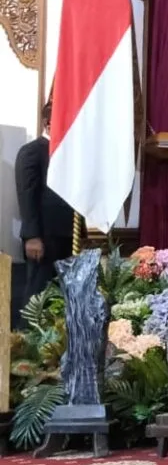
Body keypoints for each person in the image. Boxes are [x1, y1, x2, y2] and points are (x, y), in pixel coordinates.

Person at [15, 103, 74, 320]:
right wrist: (32, 236)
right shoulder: (32, 151)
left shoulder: (68, 153)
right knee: (38, 293)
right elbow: (27, 195)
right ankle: (27, 336)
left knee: (61, 294)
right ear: (48, 123)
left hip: (67, 235)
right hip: (43, 237)